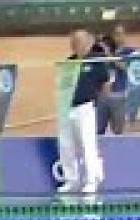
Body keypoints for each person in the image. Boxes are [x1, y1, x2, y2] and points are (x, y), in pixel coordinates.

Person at [59, 29, 111, 194]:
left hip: (86, 108)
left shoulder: (96, 60)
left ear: (87, 43)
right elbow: (63, 87)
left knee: (88, 145)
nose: (75, 45)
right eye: (73, 42)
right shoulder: (69, 61)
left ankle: (91, 181)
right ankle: (71, 180)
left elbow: (105, 83)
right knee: (66, 146)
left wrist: (98, 102)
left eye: (79, 42)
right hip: (68, 109)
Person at [98, 25, 135, 135]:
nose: (119, 37)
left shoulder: (129, 52)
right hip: (102, 97)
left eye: (121, 34)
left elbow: (126, 67)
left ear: (125, 35)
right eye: (116, 34)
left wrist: (109, 55)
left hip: (118, 97)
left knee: (118, 132)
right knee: (97, 131)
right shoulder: (104, 51)